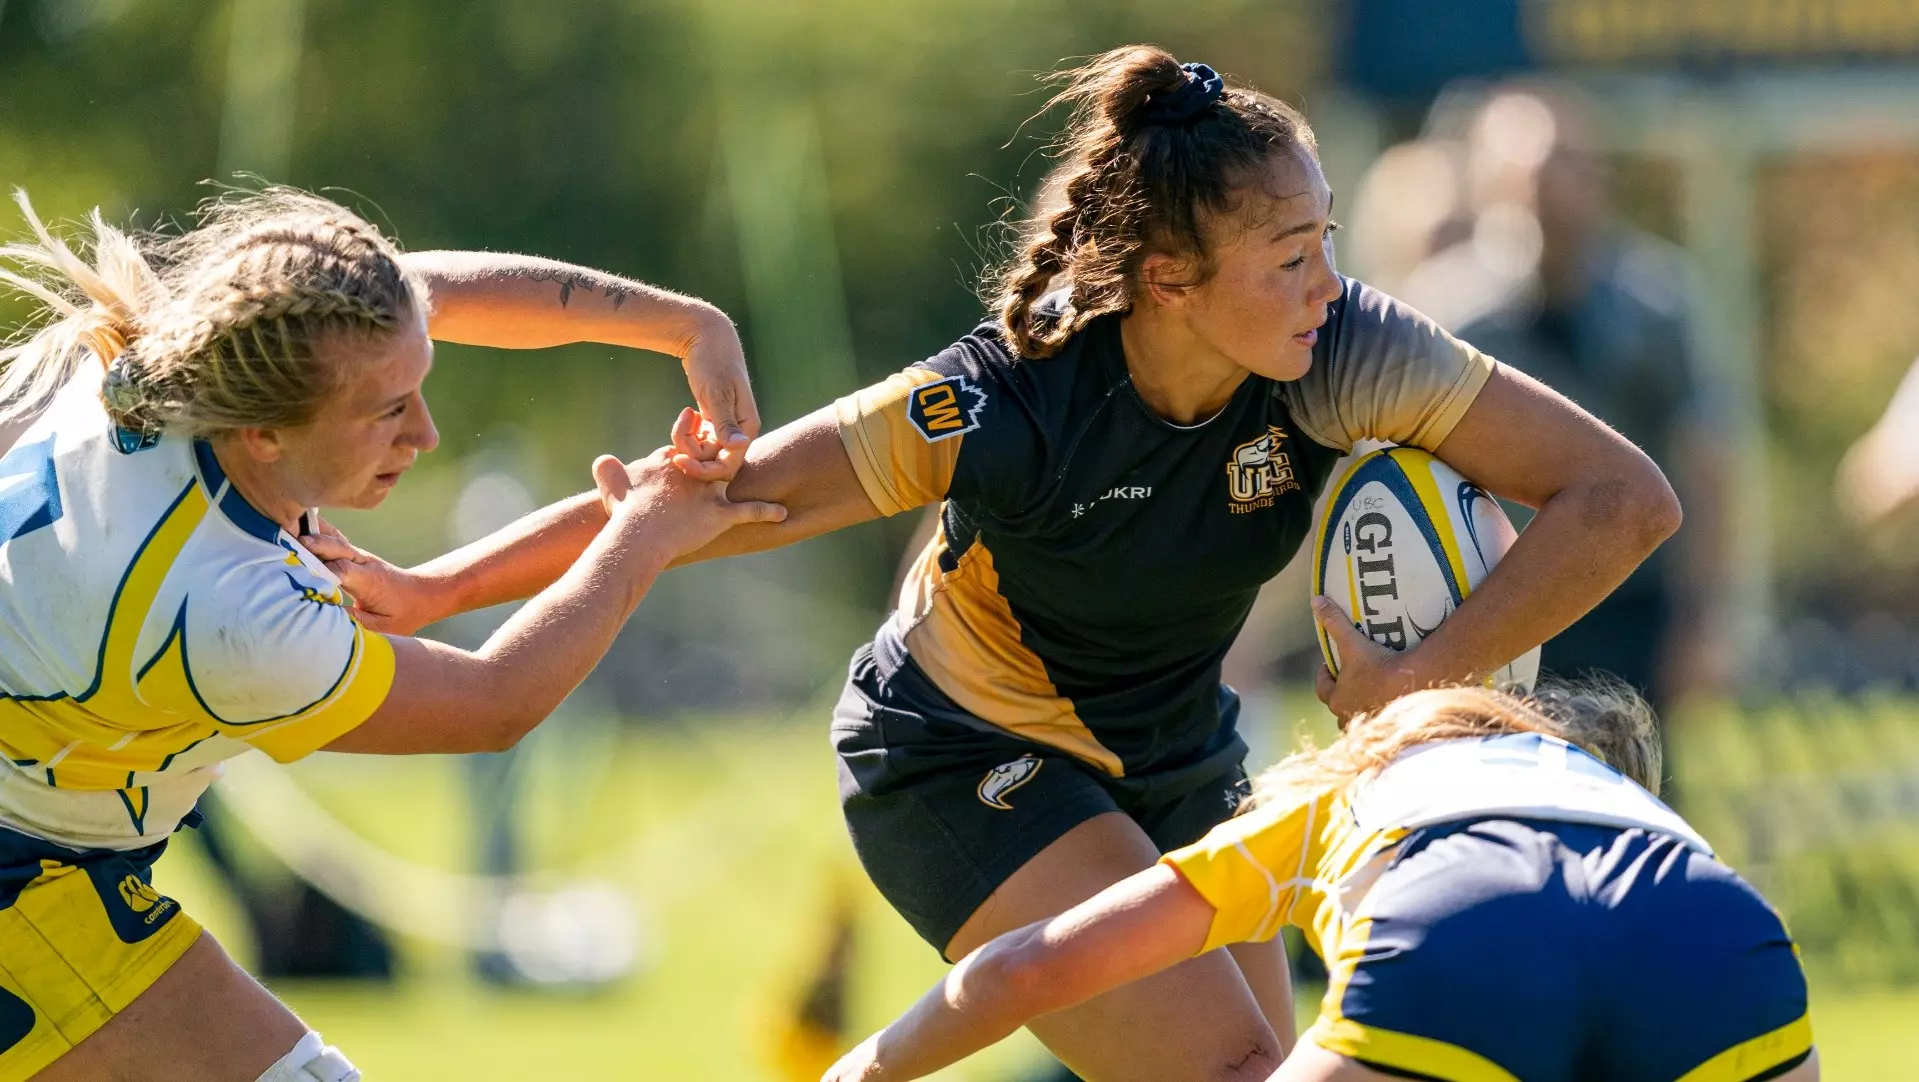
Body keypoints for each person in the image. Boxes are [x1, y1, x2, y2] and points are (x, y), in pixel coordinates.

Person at [321, 47, 1682, 1079]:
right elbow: (718, 498)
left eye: (1325, 240)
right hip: (956, 757)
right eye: (1289, 253)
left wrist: (1421, 684)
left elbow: (1619, 498)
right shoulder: (1007, 400)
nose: (1328, 279)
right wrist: (437, 593)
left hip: (1177, 759)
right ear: (1164, 276)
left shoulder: (1341, 348)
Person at [0, 187, 781, 1082]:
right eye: (387, 411)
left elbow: (418, 294)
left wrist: (687, 325)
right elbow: (493, 703)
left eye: (421, 384)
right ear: (261, 430)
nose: (427, 431)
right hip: (25, 888)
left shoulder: (197, 363)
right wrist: (643, 534)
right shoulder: (230, 607)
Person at [821, 682, 1816, 1082]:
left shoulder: (1326, 800)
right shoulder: (1593, 783)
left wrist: (861, 1070)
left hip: (1462, 910)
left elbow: (1028, 969)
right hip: (1720, 930)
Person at [1398, 85, 1732, 711]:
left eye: (1562, 168)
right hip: (1491, 607)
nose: (1546, 192)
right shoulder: (1442, 315)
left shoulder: (1655, 306)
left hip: (1628, 600)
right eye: (1525, 174)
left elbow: (1705, 460)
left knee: (1635, 790)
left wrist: (1706, 614)